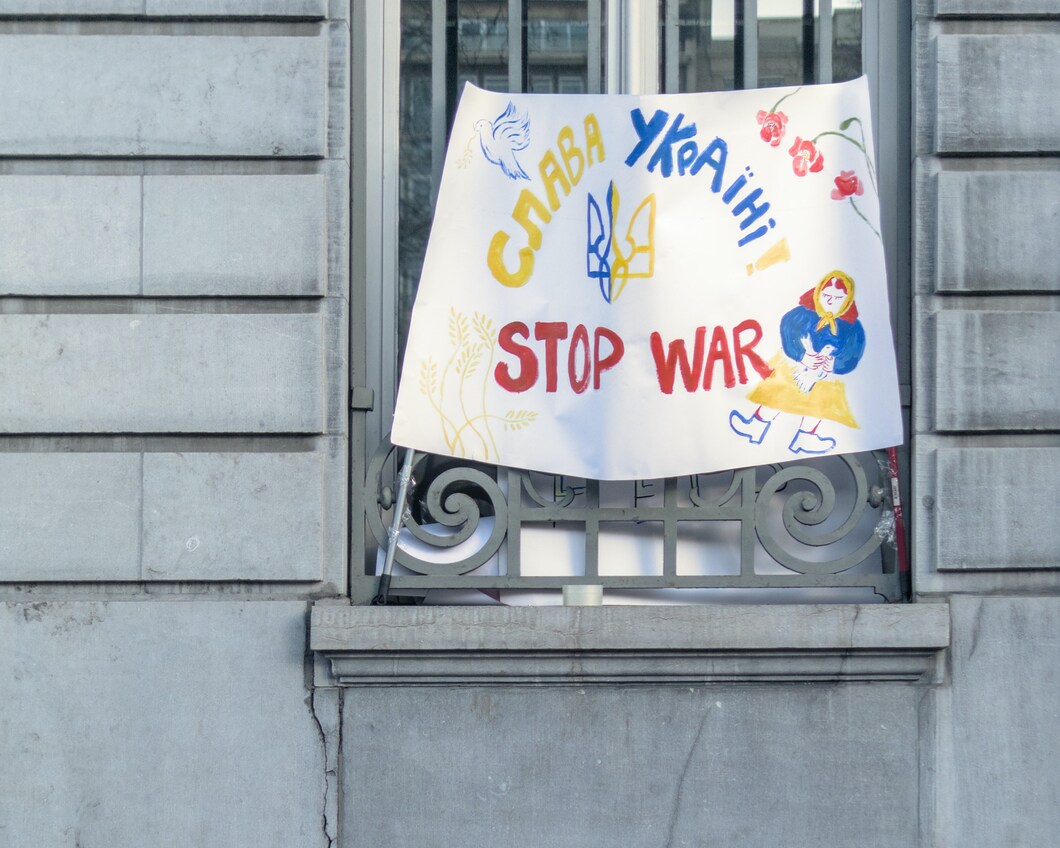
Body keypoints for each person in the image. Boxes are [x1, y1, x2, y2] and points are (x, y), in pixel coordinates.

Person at [729, 270, 865, 454]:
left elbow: (854, 351)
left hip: (826, 375)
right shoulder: (804, 313)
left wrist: (835, 364)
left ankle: (806, 436)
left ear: (847, 300)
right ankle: (756, 425)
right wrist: (801, 354)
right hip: (794, 365)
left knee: (820, 402)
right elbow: (788, 328)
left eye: (838, 297)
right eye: (826, 295)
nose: (830, 301)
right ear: (818, 293)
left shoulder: (852, 327)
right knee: (778, 392)